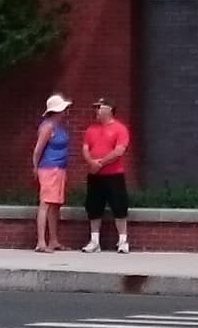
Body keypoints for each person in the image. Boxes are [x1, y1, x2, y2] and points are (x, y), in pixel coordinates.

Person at [81, 98, 132, 254]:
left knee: (119, 207)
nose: (96, 110)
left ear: (109, 109)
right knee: (94, 207)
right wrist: (91, 163)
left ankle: (123, 241)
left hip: (114, 175)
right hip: (95, 175)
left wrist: (101, 163)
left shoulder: (120, 129)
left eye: (99, 107)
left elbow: (119, 151)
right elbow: (85, 148)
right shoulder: (91, 130)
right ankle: (94, 241)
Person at [31, 94, 71, 253]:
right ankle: (41, 242)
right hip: (48, 168)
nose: (66, 112)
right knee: (45, 203)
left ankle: (53, 240)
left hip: (60, 168)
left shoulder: (60, 127)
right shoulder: (47, 127)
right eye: (63, 109)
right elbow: (38, 149)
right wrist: (35, 167)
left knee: (55, 205)